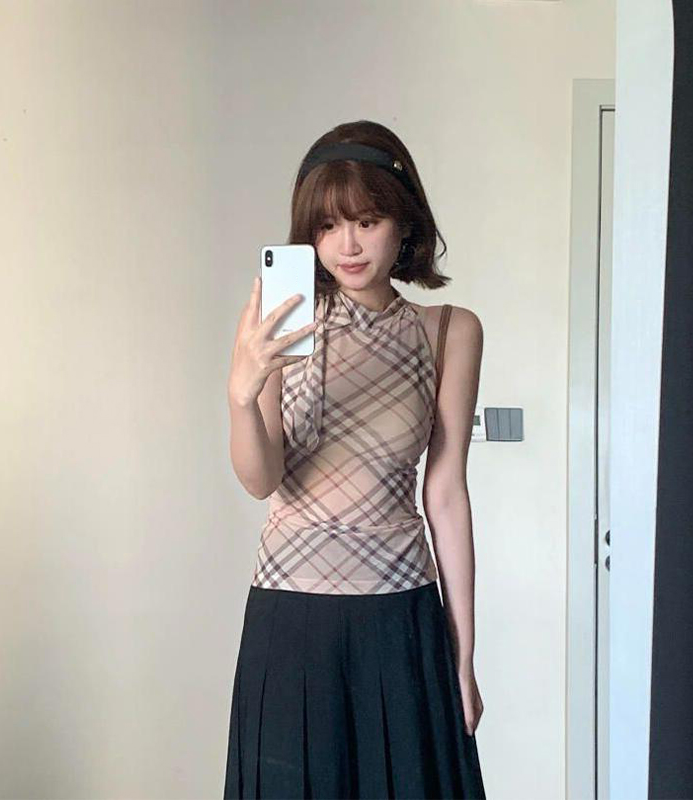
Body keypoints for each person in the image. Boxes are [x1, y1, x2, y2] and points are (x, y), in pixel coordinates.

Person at [224, 120, 486, 799]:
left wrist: (463, 655)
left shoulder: (449, 331)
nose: (347, 245)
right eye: (328, 225)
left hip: (400, 613)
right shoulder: (284, 321)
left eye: (367, 221)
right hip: (291, 614)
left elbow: (446, 494)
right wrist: (241, 397)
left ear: (404, 222)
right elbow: (262, 480)